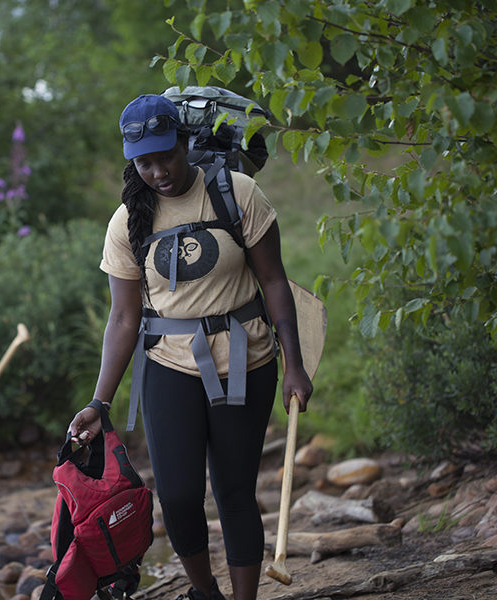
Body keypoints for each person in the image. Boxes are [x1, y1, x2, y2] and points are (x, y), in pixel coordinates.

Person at [67, 95, 313, 600]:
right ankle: (205, 593)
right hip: (168, 365)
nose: (158, 171)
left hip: (246, 361)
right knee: (178, 498)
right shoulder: (126, 222)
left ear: (184, 142)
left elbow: (274, 282)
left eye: (166, 156)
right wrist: (99, 402)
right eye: (145, 162)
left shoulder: (237, 194)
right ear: (132, 161)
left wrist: (296, 364)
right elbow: (122, 317)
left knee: (234, 492)